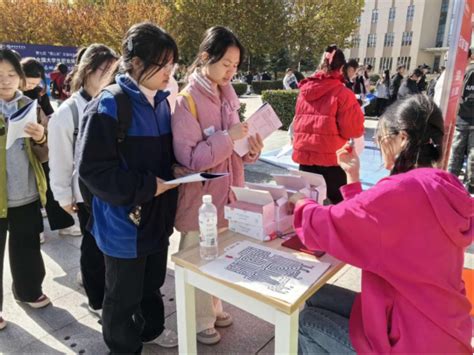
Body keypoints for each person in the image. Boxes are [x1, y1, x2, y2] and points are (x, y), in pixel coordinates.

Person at [292, 94, 472, 354]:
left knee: (304, 321)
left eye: (383, 138)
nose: (381, 146)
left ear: (402, 138)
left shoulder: (400, 190)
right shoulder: (443, 185)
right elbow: (374, 227)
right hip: (441, 329)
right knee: (315, 296)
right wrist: (352, 177)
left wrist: (300, 204)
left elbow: (328, 225)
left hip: (406, 341)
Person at [77, 23, 180, 352]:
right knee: (121, 297)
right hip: (125, 223)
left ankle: (150, 331)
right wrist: (147, 186)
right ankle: (123, 347)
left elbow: (162, 157)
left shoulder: (162, 102)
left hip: (157, 218)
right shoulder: (110, 104)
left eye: (172, 64)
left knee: (151, 283)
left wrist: (176, 169)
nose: (169, 72)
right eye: (162, 64)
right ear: (135, 63)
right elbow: (93, 171)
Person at [172, 26, 263, 345]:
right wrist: (229, 137)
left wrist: (250, 151)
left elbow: (233, 151)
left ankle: (212, 307)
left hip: (226, 196)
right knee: (198, 256)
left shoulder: (228, 98)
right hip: (200, 200)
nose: (231, 71)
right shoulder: (187, 101)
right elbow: (191, 158)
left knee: (219, 256)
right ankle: (199, 319)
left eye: (236, 65)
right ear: (205, 58)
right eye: (226, 63)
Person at [48, 44, 119, 319]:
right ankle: (96, 300)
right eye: (105, 70)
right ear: (87, 70)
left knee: (108, 246)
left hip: (111, 189)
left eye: (114, 71)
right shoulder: (68, 113)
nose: (110, 76)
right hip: (85, 194)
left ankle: (110, 294)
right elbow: (61, 161)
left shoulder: (113, 102)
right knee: (92, 246)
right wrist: (63, 197)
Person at [0, 49, 51, 331]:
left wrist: (41, 136)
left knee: (27, 246)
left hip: (26, 191)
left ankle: (28, 290)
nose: (6, 81)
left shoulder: (30, 105)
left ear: (20, 78)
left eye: (11, 75)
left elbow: (44, 154)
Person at [291, 45, 364, 204]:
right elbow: (353, 130)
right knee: (341, 207)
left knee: (307, 205)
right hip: (333, 160)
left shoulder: (304, 91)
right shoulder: (343, 94)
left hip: (306, 159)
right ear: (342, 67)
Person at [21, 57, 81, 242]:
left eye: (36, 82)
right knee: (29, 191)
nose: (32, 86)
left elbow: (49, 112)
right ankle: (36, 229)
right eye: (29, 82)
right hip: (21, 150)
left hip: (42, 146)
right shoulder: (13, 95)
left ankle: (64, 224)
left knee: (49, 185)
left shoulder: (39, 92)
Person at [448, 48, 474, 193]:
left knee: (459, 157)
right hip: (462, 121)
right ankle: (458, 188)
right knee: (460, 157)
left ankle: (454, 187)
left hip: (462, 120)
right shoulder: (467, 72)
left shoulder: (463, 72)